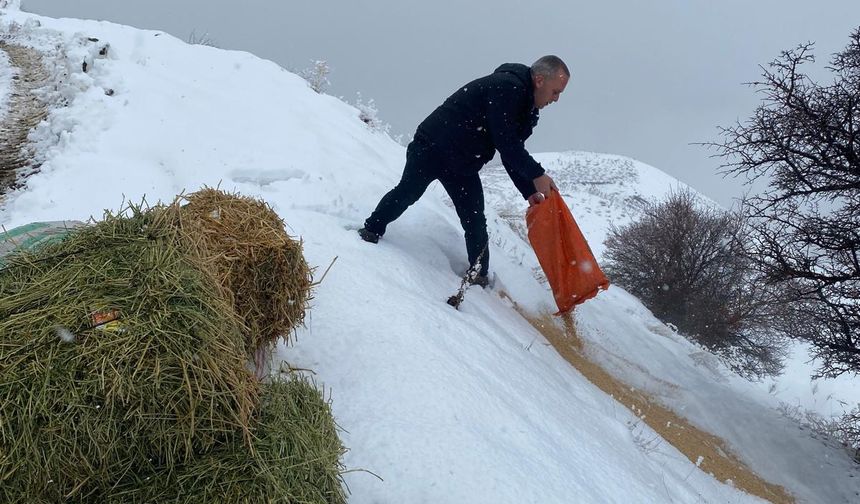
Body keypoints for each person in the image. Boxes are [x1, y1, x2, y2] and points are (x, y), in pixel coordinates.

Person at [358, 55, 570, 287]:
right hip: (431, 147)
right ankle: (370, 231)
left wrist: (529, 190)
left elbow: (511, 153)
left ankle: (479, 276)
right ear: (539, 80)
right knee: (408, 192)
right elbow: (506, 142)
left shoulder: (527, 111)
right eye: (555, 92)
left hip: (463, 163)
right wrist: (537, 174)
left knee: (474, 218)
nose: (556, 99)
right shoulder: (507, 87)